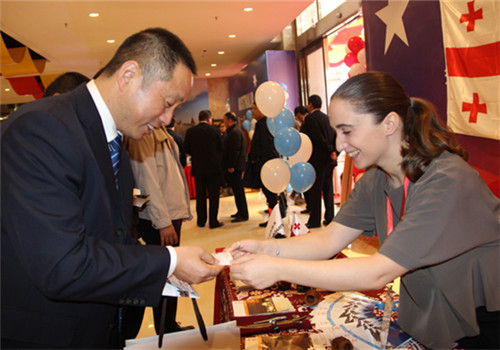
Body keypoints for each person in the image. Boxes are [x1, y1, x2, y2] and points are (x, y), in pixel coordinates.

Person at [228, 72, 499, 350]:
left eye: (347, 131)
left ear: (390, 123)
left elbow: (376, 272)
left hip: (484, 319)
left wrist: (277, 268)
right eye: (337, 133)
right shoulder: (375, 178)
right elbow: (328, 240)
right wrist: (264, 249)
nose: (339, 145)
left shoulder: (446, 179)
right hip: (438, 311)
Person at [1, 28, 223, 349]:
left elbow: (109, 237)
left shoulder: (114, 137)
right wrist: (168, 261)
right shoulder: (41, 128)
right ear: (129, 75)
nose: (167, 118)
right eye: (167, 103)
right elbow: (64, 264)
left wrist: (163, 270)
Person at [124, 124, 193, 336]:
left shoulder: (157, 130)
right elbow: (147, 180)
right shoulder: (143, 133)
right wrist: (162, 221)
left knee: (170, 272)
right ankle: (165, 327)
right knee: (164, 272)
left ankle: (168, 324)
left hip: (168, 212)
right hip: (159, 217)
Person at [301, 95, 337, 228]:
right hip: (329, 159)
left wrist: (328, 149)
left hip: (318, 160)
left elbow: (317, 137)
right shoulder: (327, 118)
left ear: (310, 104)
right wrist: (333, 151)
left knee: (316, 190)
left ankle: (315, 220)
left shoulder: (310, 118)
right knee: (328, 189)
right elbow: (334, 136)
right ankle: (329, 217)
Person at [184, 110, 224, 229]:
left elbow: (186, 148)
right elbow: (221, 148)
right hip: (213, 168)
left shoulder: (191, 131)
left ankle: (201, 221)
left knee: (200, 196)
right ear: (209, 119)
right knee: (214, 196)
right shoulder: (215, 131)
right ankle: (213, 221)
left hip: (198, 168)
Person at [248, 102, 284, 227]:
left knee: (271, 195)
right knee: (270, 195)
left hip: (267, 165)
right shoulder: (263, 124)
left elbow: (267, 147)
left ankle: (275, 220)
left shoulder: (265, 125)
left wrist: (262, 163)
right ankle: (274, 218)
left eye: (254, 108)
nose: (252, 111)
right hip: (265, 164)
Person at [222, 111, 249, 223]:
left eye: (225, 120)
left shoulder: (235, 132)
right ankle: (240, 211)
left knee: (239, 191)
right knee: (237, 191)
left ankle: (243, 214)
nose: (224, 123)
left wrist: (231, 165)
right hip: (236, 166)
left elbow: (235, 151)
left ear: (230, 120)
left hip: (236, 167)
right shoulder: (233, 131)